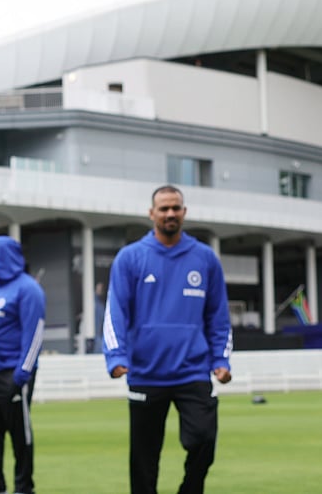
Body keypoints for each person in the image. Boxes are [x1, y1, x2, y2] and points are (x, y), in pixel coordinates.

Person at [103, 185, 233, 494]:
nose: (170, 213)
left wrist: (221, 359)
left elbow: (219, 316)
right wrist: (116, 356)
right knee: (144, 458)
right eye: (164, 209)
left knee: (203, 439)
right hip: (146, 372)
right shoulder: (130, 258)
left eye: (176, 208)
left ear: (184, 212)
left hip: (193, 371)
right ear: (152, 214)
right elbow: (115, 311)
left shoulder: (205, 258)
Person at [0, 235, 45, 494]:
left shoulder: (28, 289)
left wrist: (22, 374)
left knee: (19, 436)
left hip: (11, 374)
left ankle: (24, 488)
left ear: (3, 256)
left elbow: (34, 334)